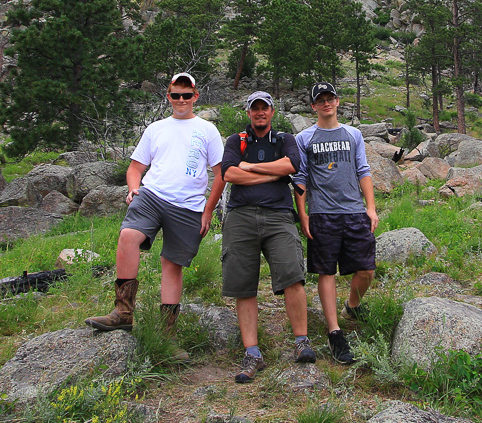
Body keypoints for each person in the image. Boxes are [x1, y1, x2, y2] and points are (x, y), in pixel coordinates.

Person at [85, 72, 225, 358]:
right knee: (128, 236)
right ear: (168, 96)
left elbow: (220, 174)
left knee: (171, 264)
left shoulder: (207, 130)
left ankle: (167, 335)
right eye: (176, 95)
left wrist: (208, 211)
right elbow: (135, 167)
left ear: (196, 96)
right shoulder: (156, 128)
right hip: (152, 194)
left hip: (188, 205)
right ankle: (123, 312)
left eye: (187, 95)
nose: (182, 100)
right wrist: (134, 189)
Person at [221, 91, 316, 383]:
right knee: (243, 284)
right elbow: (229, 174)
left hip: (279, 215)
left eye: (265, 108)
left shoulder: (285, 139)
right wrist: (270, 174)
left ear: (272, 111)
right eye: (255, 108)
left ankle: (302, 341)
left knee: (292, 276)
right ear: (248, 112)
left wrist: (250, 167)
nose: (260, 113)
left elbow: (292, 165)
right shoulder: (235, 141)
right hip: (240, 216)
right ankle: (252, 352)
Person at [295, 82, 378, 364]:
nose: (326, 103)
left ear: (338, 102)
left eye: (330, 98)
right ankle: (334, 331)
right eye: (321, 100)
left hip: (354, 211)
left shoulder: (353, 134)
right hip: (322, 214)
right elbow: (301, 178)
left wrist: (371, 208)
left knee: (367, 270)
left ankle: (352, 306)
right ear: (313, 106)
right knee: (325, 271)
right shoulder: (304, 138)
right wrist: (303, 213)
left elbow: (363, 170)